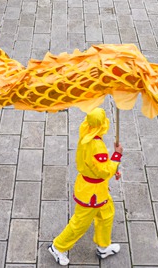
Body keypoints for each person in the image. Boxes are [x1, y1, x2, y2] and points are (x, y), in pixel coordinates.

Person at [49, 108, 123, 266]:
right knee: (80, 224)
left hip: (94, 187)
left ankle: (104, 246)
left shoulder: (86, 132)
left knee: (107, 214)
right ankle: (57, 247)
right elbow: (103, 171)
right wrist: (117, 156)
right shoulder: (97, 146)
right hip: (92, 194)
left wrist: (112, 169)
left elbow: (97, 168)